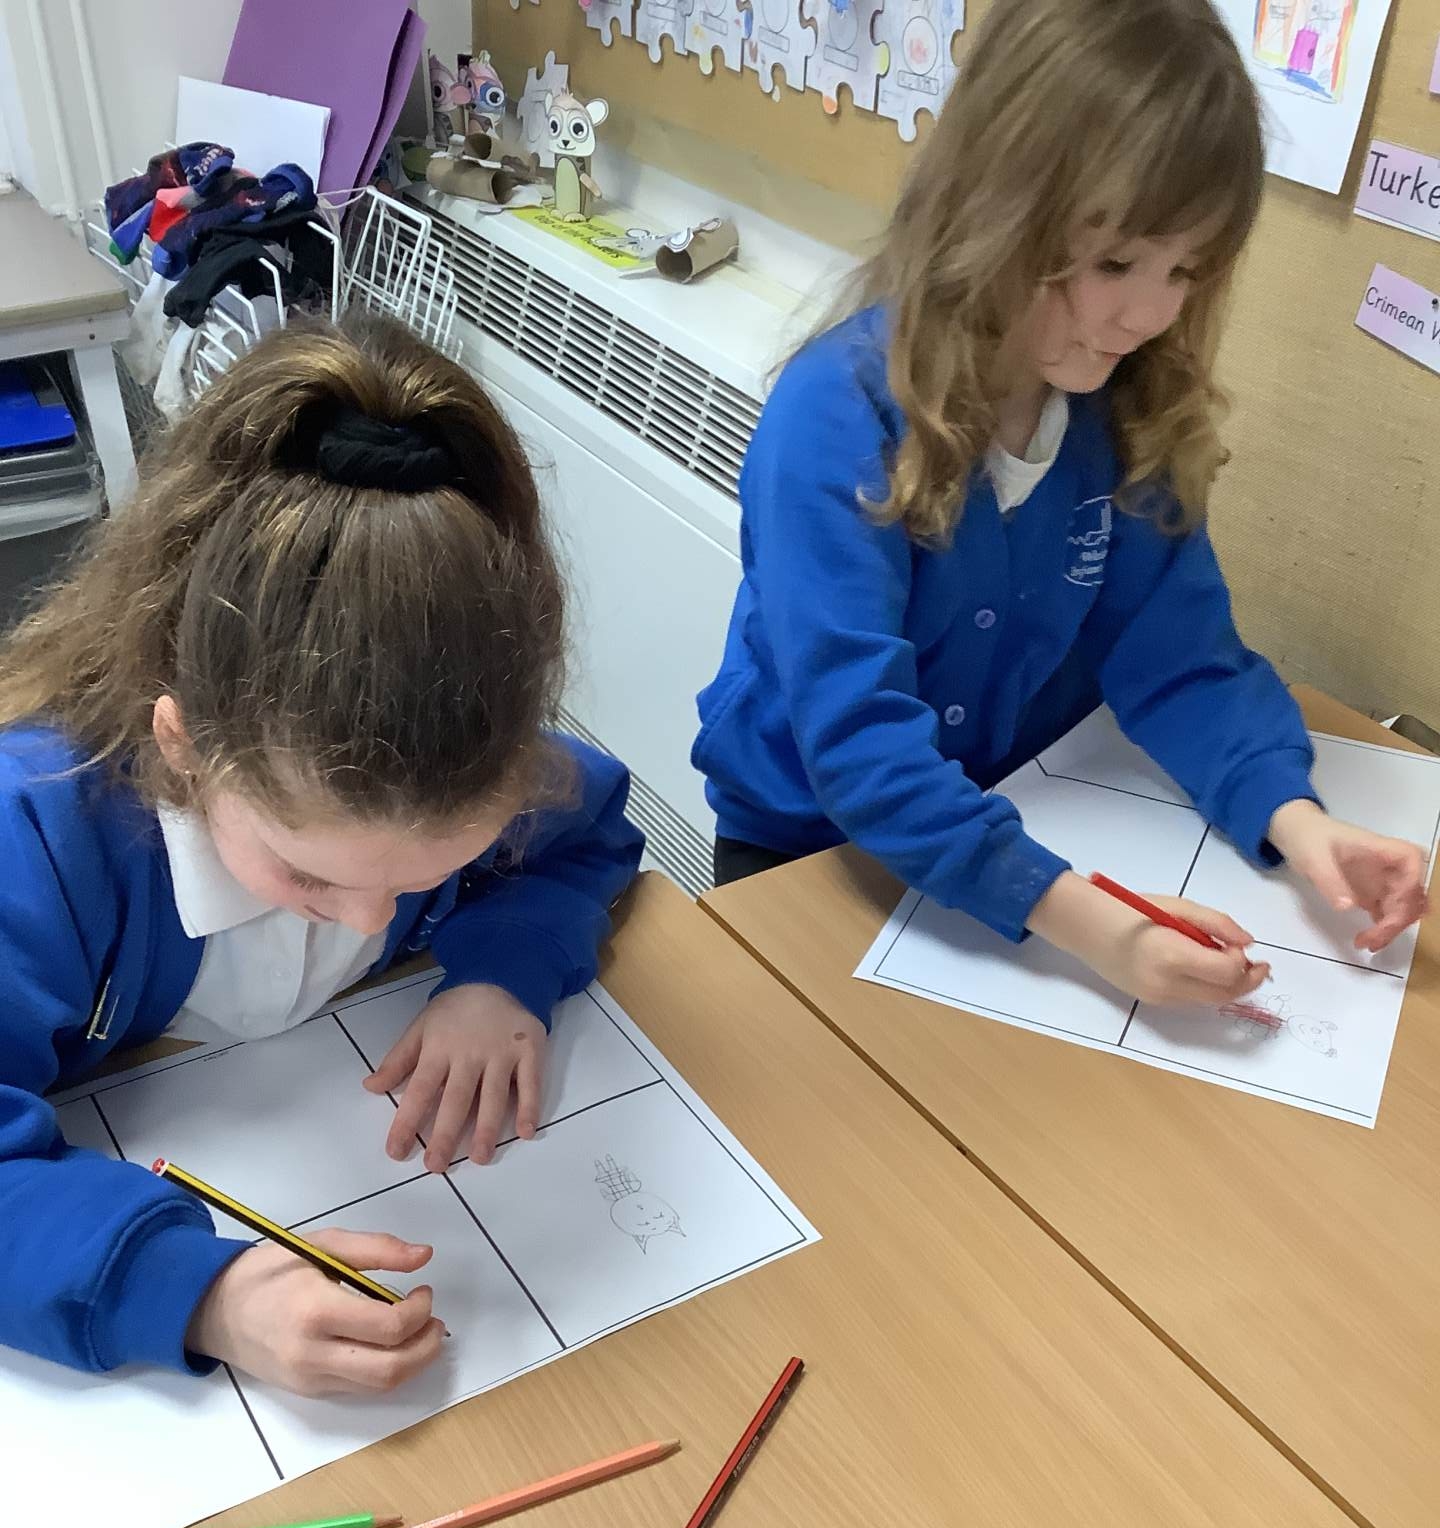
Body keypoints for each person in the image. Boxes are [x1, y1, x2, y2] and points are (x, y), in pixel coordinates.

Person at [694, 0, 1427, 1003]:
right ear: (993, 213)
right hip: (810, 850)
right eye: (1115, 263)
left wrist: (1298, 822)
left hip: (1019, 826)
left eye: (1185, 270)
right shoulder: (837, 416)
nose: (1151, 312)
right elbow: (859, 743)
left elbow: (1182, 658)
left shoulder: (1125, 410)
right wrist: (1105, 934)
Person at [0, 315, 642, 1395]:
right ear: (185, 750)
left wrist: (503, 975)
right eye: (309, 875)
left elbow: (591, 834)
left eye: (423, 878)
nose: (366, 919)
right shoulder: (35, 843)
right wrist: (199, 1292)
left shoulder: (468, 768)